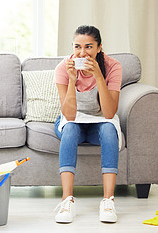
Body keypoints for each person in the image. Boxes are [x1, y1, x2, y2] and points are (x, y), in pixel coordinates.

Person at [53, 25, 122, 223]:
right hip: (73, 121)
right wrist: (73, 80)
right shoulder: (64, 68)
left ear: (99, 47)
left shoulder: (113, 67)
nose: (82, 53)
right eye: (77, 47)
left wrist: (99, 75)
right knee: (72, 129)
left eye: (89, 47)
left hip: (100, 122)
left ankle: (108, 201)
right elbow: (69, 115)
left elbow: (109, 113)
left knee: (109, 130)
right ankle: (67, 201)